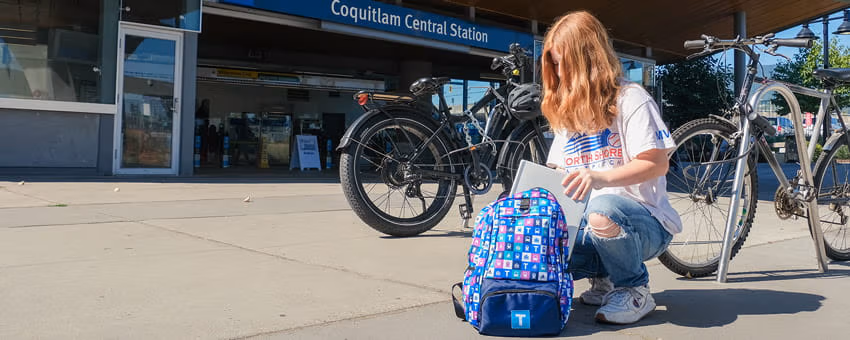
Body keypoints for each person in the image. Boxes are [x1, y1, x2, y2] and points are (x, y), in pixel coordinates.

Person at [540, 11, 682, 325]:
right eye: (553, 63)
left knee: (602, 210)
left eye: (562, 62)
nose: (557, 71)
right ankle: (602, 279)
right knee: (540, 232)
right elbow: (556, 173)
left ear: (586, 58)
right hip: (592, 226)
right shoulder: (570, 110)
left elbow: (657, 164)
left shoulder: (631, 99)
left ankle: (634, 288)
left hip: (645, 223)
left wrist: (600, 177)